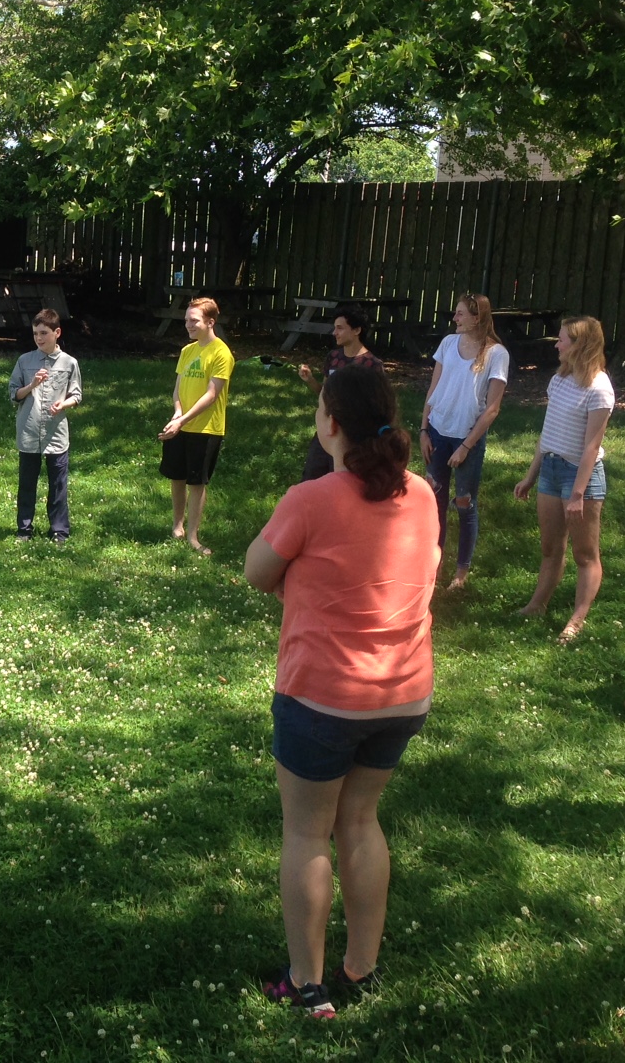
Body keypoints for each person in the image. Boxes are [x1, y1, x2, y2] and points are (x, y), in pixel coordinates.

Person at [244, 367, 438, 1018]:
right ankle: (361, 967)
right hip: (403, 694)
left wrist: (298, 584)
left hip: (323, 697)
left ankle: (307, 985)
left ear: (331, 421)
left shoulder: (311, 498)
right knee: (360, 819)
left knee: (307, 832)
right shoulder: (423, 494)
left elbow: (256, 570)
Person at [513, 316, 613, 643]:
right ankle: (537, 605)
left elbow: (591, 446)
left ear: (580, 345)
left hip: (579, 476)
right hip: (552, 470)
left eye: (562, 340)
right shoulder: (558, 381)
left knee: (585, 553)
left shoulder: (599, 388)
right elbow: (548, 432)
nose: (556, 345)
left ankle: (577, 618)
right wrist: (531, 474)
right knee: (549, 547)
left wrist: (578, 494)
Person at [418, 294, 509, 589]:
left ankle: (461, 572)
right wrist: (423, 431)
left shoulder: (497, 354)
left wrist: (467, 445)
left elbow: (493, 408)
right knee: (434, 502)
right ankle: (435, 565)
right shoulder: (447, 344)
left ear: (477, 318)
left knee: (464, 503)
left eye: (460, 314)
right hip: (437, 433)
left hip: (467, 437)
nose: (455, 319)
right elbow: (433, 389)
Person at [160, 297, 234, 556]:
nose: (188, 326)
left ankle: (193, 536)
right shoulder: (187, 352)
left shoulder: (221, 353)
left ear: (210, 322)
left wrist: (182, 420)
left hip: (206, 428)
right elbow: (177, 390)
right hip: (181, 424)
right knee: (177, 477)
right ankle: (177, 527)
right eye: (186, 321)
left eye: (194, 321)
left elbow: (212, 395)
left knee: (196, 483)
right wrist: (177, 414)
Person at [8, 308, 83, 543]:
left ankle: (59, 530)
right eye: (35, 334)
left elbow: (77, 395)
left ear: (57, 332)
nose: (39, 338)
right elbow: (14, 395)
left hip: (56, 434)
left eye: (44, 333)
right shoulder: (24, 361)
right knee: (27, 484)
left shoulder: (69, 363)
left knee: (58, 485)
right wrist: (32, 385)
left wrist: (64, 404)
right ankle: (24, 529)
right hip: (29, 432)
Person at [297, 305, 383, 482]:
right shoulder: (334, 357)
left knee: (342, 481)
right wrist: (310, 380)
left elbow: (377, 406)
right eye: (335, 327)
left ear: (357, 330)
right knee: (312, 478)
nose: (334, 332)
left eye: (340, 328)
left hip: (352, 436)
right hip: (327, 429)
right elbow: (325, 393)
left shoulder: (372, 365)